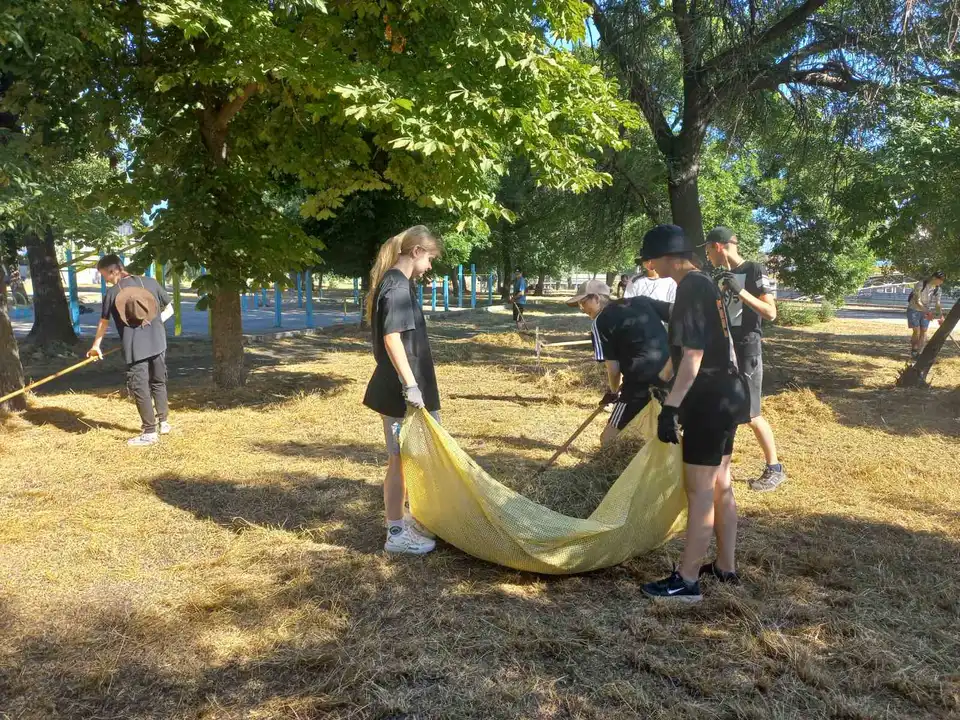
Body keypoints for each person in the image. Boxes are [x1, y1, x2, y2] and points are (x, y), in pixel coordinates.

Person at [639, 224, 749, 602]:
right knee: (721, 483)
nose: (649, 266)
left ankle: (686, 582)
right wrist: (659, 379)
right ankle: (725, 567)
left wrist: (670, 408)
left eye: (651, 259)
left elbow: (694, 357)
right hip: (731, 392)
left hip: (710, 400)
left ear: (669, 258)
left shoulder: (689, 288)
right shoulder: (703, 284)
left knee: (699, 490)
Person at [362, 225, 444, 555]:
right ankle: (396, 534)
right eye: (430, 259)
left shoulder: (400, 285)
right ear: (416, 252)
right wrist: (411, 387)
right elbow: (391, 339)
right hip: (400, 395)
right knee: (398, 459)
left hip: (406, 390)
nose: (430, 267)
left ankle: (404, 518)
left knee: (408, 459)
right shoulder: (395, 287)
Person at [703, 226, 785, 493]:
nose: (707, 256)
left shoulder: (754, 270)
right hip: (725, 348)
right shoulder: (718, 274)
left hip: (747, 347)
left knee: (751, 412)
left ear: (718, 246)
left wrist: (740, 290)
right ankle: (720, 464)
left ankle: (774, 468)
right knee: (725, 406)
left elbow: (771, 312)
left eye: (707, 250)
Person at [567, 280, 670, 446]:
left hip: (639, 383)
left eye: (583, 302)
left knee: (608, 440)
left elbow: (613, 368)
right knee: (665, 433)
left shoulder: (600, 322)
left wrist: (614, 392)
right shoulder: (641, 301)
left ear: (596, 298)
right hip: (671, 376)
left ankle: (608, 466)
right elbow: (677, 313)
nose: (582, 308)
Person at [87, 255, 174, 447]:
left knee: (140, 387)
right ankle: (164, 423)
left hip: (135, 348)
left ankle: (149, 433)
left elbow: (103, 322)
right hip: (158, 341)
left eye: (104, 275)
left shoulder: (112, 293)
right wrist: (155, 324)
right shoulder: (150, 282)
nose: (105, 280)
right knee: (159, 381)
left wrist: (96, 346)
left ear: (113, 271)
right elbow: (170, 309)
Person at [907, 271, 946, 358]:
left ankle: (920, 353)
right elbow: (917, 301)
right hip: (914, 309)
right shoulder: (921, 284)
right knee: (916, 331)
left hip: (926, 310)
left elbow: (938, 304)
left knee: (924, 330)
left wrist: (941, 316)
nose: (941, 282)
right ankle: (914, 349)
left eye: (943, 281)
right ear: (934, 278)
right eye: (940, 280)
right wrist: (927, 311)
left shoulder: (938, 289)